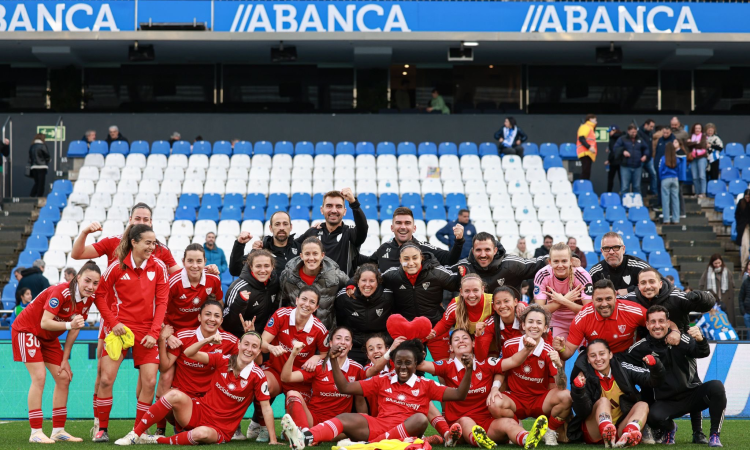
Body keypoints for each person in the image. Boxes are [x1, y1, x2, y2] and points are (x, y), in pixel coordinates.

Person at [281, 339, 472, 448]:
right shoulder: (383, 380)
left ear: (416, 365)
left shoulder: (426, 384)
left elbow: (459, 395)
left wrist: (469, 370)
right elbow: (345, 388)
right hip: (378, 425)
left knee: (421, 419)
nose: (403, 367)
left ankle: (369, 445)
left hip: (406, 430)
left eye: (408, 363)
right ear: (394, 363)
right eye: (399, 362)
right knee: (346, 417)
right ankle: (304, 438)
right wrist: (332, 361)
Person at [123, 331, 278, 446]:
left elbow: (266, 409)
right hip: (199, 411)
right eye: (246, 344)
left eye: (254, 347)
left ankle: (156, 440)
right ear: (238, 345)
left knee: (201, 433)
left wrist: (273, 440)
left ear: (258, 351)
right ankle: (135, 434)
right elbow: (189, 353)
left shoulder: (258, 375)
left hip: (220, 429)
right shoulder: (222, 360)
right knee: (174, 395)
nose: (249, 349)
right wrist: (208, 340)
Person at [91, 225, 170, 444]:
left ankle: (139, 431)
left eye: (154, 243)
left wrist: (155, 333)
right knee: (106, 380)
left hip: (148, 331)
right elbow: (99, 295)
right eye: (148, 242)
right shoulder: (116, 266)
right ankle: (102, 429)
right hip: (119, 330)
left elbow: (162, 302)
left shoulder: (159, 266)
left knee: (149, 381)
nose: (152, 247)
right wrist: (113, 323)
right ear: (134, 242)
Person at [12, 262, 103, 443]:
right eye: (87, 281)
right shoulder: (61, 292)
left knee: (63, 377)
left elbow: (75, 329)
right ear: (77, 278)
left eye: (95, 283)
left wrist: (65, 358)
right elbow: (46, 322)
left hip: (48, 338)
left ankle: (58, 430)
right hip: (27, 330)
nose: (91, 287)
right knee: (39, 377)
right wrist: (70, 324)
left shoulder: (89, 299)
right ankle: (36, 432)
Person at [420, 328, 548, 449]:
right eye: (456, 339)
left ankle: (527, 438)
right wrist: (417, 340)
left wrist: (526, 349)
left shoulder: (486, 364)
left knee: (508, 423)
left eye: (465, 338)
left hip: (486, 423)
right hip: (460, 426)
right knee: (466, 421)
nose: (461, 341)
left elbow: (513, 361)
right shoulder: (446, 366)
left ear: (474, 343)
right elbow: (421, 365)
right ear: (450, 347)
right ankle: (479, 440)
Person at [626, 306, 726, 447]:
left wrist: (700, 339)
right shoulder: (639, 348)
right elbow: (623, 365)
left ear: (668, 323)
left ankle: (714, 435)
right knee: (652, 416)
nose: (657, 325)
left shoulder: (681, 338)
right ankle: (670, 427)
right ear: (647, 325)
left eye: (661, 321)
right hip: (666, 402)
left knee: (717, 387)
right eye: (653, 322)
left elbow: (702, 352)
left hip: (692, 396)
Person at [155, 245, 224, 436]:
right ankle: (160, 429)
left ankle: (215, 420)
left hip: (198, 334)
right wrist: (168, 335)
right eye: (190, 261)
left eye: (199, 261)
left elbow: (217, 304)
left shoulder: (213, 280)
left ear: (205, 262)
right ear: (183, 262)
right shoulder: (174, 282)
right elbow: (159, 310)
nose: (194, 265)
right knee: (166, 379)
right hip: (175, 336)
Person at [248, 286, 329, 441]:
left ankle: (287, 432)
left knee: (292, 430)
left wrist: (316, 357)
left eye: (312, 302)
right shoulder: (281, 314)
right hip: (276, 372)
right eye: (304, 299)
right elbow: (262, 342)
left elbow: (326, 355)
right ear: (297, 300)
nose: (307, 304)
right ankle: (261, 425)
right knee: (263, 384)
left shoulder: (319, 329)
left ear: (316, 307)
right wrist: (271, 347)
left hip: (298, 379)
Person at [486, 304, 572, 446]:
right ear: (523, 325)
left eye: (539, 323)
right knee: (494, 403)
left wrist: (559, 365)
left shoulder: (548, 350)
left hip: (540, 400)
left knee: (566, 396)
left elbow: (561, 386)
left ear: (545, 328)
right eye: (530, 322)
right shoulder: (509, 345)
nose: (534, 326)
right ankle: (518, 429)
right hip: (516, 399)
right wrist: (494, 389)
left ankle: (549, 431)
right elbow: (501, 370)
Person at [155, 300, 239, 435]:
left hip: (210, 401)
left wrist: (250, 335)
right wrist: (161, 340)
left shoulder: (230, 341)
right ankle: (169, 427)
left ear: (222, 320)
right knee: (164, 389)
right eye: (208, 314)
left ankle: (231, 426)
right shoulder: (183, 336)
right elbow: (164, 367)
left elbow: (252, 362)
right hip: (184, 397)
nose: (212, 319)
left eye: (217, 316)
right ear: (199, 317)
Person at [567, 339, 664, 447]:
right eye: (593, 356)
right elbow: (582, 412)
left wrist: (655, 366)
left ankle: (629, 433)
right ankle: (606, 429)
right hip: (594, 432)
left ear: (610, 354)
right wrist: (578, 390)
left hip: (619, 429)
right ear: (588, 360)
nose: (598, 359)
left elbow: (652, 380)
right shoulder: (583, 376)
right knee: (603, 401)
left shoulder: (623, 368)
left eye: (602, 354)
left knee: (643, 405)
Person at [382, 243, 461, 361]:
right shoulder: (393, 275)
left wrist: (464, 270)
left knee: (444, 369)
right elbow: (371, 279)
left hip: (435, 329)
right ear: (400, 260)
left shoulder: (435, 272)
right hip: (409, 330)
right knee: (409, 369)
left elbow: (457, 282)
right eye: (406, 259)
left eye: (415, 258)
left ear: (421, 258)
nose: (411, 263)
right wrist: (351, 284)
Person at [281, 326, 367, 431]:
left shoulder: (357, 369)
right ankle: (304, 433)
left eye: (347, 339)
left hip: (339, 423)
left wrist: (366, 424)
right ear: (330, 343)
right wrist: (293, 354)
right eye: (338, 338)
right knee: (292, 394)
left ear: (351, 346)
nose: (343, 342)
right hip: (314, 420)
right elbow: (286, 378)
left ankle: (308, 435)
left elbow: (360, 401)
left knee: (352, 430)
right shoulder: (317, 365)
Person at [554, 279, 648, 361]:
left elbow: (657, 324)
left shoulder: (633, 310)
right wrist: (562, 349)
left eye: (608, 299)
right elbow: (568, 352)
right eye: (599, 300)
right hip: (595, 357)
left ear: (615, 296)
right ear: (592, 299)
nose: (604, 304)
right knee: (578, 378)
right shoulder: (583, 316)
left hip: (625, 357)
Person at [279, 237, 348, 330]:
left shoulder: (334, 275)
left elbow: (353, 283)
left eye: (315, 253)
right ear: (301, 256)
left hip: (324, 333)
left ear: (322, 255)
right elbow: (280, 304)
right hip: (294, 332)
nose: (311, 258)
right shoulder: (288, 275)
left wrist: (351, 286)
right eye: (307, 254)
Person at [369, 207, 464, 272]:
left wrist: (459, 241)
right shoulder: (384, 249)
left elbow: (450, 259)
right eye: (398, 223)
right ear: (392, 227)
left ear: (414, 228)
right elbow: (366, 264)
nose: (403, 227)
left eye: (407, 223)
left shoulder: (424, 248)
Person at [296, 189, 368, 276]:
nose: (334, 210)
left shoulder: (350, 233)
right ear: (322, 210)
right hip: (315, 288)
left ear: (344, 211)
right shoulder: (312, 232)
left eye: (338, 206)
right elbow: (289, 246)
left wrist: (353, 203)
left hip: (344, 288)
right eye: (329, 206)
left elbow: (363, 228)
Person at [626, 268, 714, 334]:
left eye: (652, 282)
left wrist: (700, 297)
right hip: (645, 351)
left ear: (660, 284)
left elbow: (707, 305)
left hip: (678, 348)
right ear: (638, 286)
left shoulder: (675, 296)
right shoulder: (630, 300)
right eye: (643, 283)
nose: (648, 286)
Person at [335, 264, 393, 365]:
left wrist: (385, 341)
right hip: (355, 346)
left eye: (372, 281)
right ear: (357, 281)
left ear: (378, 282)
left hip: (379, 346)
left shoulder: (388, 296)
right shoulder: (345, 297)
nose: (367, 285)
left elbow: (397, 320)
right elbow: (339, 323)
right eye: (363, 280)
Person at [534, 242, 593, 341]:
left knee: (589, 353)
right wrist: (566, 299)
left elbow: (588, 311)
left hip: (580, 319)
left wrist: (563, 300)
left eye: (564, 261)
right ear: (550, 262)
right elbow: (540, 310)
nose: (560, 265)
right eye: (556, 261)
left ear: (571, 261)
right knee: (554, 353)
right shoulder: (542, 275)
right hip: (556, 320)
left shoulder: (582, 275)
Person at [453, 232, 548, 293]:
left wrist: (557, 257)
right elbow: (442, 276)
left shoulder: (511, 264)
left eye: (487, 250)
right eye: (478, 250)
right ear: (473, 251)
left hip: (506, 320)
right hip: (475, 322)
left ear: (495, 251)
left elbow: (538, 263)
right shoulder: (464, 267)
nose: (483, 255)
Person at [223, 249, 280, 339]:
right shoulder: (239, 287)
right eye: (258, 266)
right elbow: (227, 323)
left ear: (272, 267)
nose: (262, 270)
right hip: (239, 338)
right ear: (251, 267)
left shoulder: (274, 281)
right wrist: (240, 302)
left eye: (266, 266)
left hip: (264, 336)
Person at [231, 211, 301, 277]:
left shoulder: (300, 249)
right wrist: (239, 244)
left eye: (285, 224)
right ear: (271, 228)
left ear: (291, 227)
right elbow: (235, 271)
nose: (281, 228)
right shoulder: (261, 250)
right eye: (277, 224)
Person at [427, 274, 494, 341]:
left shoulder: (493, 301)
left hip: (491, 347)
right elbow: (445, 324)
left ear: (482, 289)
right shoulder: (455, 304)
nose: (471, 295)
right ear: (461, 292)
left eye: (475, 290)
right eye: (467, 291)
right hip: (465, 347)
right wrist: (434, 332)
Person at [589, 232, 650, 296]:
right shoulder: (595, 272)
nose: (611, 252)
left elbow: (657, 286)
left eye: (616, 247)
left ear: (623, 249)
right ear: (602, 251)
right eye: (606, 248)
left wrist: (629, 290)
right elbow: (587, 297)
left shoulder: (640, 267)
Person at [699, 254, 736, 325]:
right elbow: (701, 285)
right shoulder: (707, 272)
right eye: (715, 263)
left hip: (725, 299)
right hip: (712, 299)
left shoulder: (727, 271)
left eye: (719, 263)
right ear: (712, 263)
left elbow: (732, 285)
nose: (718, 265)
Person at [614, 124, 649, 196]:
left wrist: (645, 155)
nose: (634, 134)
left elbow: (646, 148)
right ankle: (624, 205)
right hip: (625, 166)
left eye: (635, 132)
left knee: (637, 187)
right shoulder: (622, 139)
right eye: (632, 132)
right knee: (624, 187)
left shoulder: (640, 139)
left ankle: (637, 205)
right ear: (628, 131)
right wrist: (623, 151)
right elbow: (615, 148)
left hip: (638, 166)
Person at [651, 125, 676, 207]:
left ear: (670, 132)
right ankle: (660, 203)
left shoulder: (673, 140)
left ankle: (668, 205)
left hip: (668, 168)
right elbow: (657, 153)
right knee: (659, 185)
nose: (665, 134)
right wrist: (655, 164)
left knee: (667, 188)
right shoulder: (660, 140)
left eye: (667, 133)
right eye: (664, 132)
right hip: (659, 166)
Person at [660, 141, 681, 224]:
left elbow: (660, 169)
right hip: (675, 179)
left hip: (665, 179)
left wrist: (662, 178)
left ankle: (667, 219)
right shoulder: (677, 159)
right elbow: (679, 170)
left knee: (665, 200)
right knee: (675, 200)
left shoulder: (663, 158)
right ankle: (676, 219)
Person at [686, 123, 708, 198]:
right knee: (695, 177)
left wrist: (692, 143)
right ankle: (697, 193)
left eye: (699, 128)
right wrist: (696, 143)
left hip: (701, 157)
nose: (697, 130)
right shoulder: (690, 136)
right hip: (693, 158)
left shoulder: (704, 136)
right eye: (696, 128)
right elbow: (688, 145)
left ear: (701, 129)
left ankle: (703, 193)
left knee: (702, 175)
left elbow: (702, 145)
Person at [638, 119, 657, 195]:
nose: (652, 128)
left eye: (653, 127)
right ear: (646, 125)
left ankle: (654, 192)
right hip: (640, 158)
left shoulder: (650, 133)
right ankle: (639, 194)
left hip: (648, 159)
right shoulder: (638, 133)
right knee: (638, 177)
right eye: (651, 126)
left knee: (654, 174)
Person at [28, 133, 50, 197]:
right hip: (42, 167)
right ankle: (39, 197)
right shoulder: (42, 146)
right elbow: (47, 156)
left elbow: (30, 157)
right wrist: (47, 161)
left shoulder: (32, 146)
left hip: (34, 167)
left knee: (37, 183)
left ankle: (31, 196)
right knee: (41, 184)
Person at [576, 114, 598, 180]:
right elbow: (581, 138)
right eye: (595, 119)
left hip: (588, 153)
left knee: (587, 172)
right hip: (585, 152)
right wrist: (589, 147)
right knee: (585, 172)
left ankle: (584, 186)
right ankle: (582, 187)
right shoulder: (586, 126)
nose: (596, 121)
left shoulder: (590, 128)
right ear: (590, 119)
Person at [605, 125, 624, 193]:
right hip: (622, 161)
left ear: (614, 131)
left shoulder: (613, 139)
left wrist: (609, 160)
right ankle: (623, 194)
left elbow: (614, 151)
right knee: (622, 180)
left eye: (610, 131)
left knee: (611, 179)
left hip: (614, 161)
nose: (609, 133)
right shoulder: (623, 137)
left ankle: (608, 194)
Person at [735, 189, 750, 265]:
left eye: (749, 197)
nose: (747, 199)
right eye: (746, 197)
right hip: (744, 226)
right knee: (745, 246)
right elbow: (737, 215)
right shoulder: (741, 202)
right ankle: (744, 267)